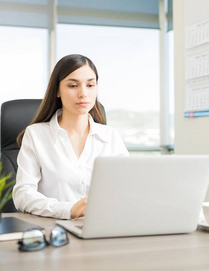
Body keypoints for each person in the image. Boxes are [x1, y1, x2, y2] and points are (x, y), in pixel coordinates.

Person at [12, 54, 129, 220]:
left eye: (90, 85)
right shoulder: (36, 135)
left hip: (103, 228)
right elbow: (23, 194)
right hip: (54, 231)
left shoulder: (110, 136)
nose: (83, 93)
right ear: (57, 90)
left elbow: (128, 188)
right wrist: (67, 210)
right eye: (73, 85)